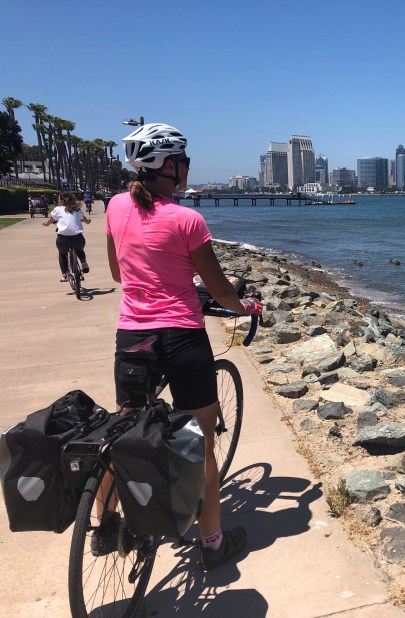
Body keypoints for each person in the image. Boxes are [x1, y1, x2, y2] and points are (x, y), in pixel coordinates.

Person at [105, 123, 261, 570]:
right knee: (201, 443)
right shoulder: (187, 219)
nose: (188, 167)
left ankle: (106, 524)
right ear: (168, 166)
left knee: (124, 431)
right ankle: (212, 543)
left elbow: (117, 274)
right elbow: (221, 289)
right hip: (181, 337)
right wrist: (244, 307)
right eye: (184, 160)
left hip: (133, 335)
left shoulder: (116, 206)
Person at [43, 192, 91, 280]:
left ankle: (64, 274)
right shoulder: (77, 209)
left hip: (63, 239)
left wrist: (46, 224)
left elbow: (50, 221)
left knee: (62, 254)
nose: (58, 200)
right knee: (79, 250)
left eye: (58, 199)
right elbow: (86, 221)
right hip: (78, 238)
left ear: (62, 200)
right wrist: (88, 221)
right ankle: (83, 261)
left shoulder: (58, 209)